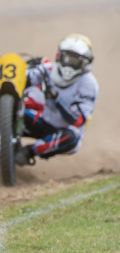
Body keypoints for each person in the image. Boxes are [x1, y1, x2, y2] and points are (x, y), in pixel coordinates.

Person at [14, 34, 99, 166]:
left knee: (72, 137)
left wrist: (56, 99)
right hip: (42, 120)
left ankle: (29, 152)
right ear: (59, 56)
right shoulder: (48, 70)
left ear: (85, 62)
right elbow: (22, 80)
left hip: (63, 132)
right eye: (66, 58)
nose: (68, 63)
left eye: (74, 60)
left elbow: (77, 120)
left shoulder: (89, 84)